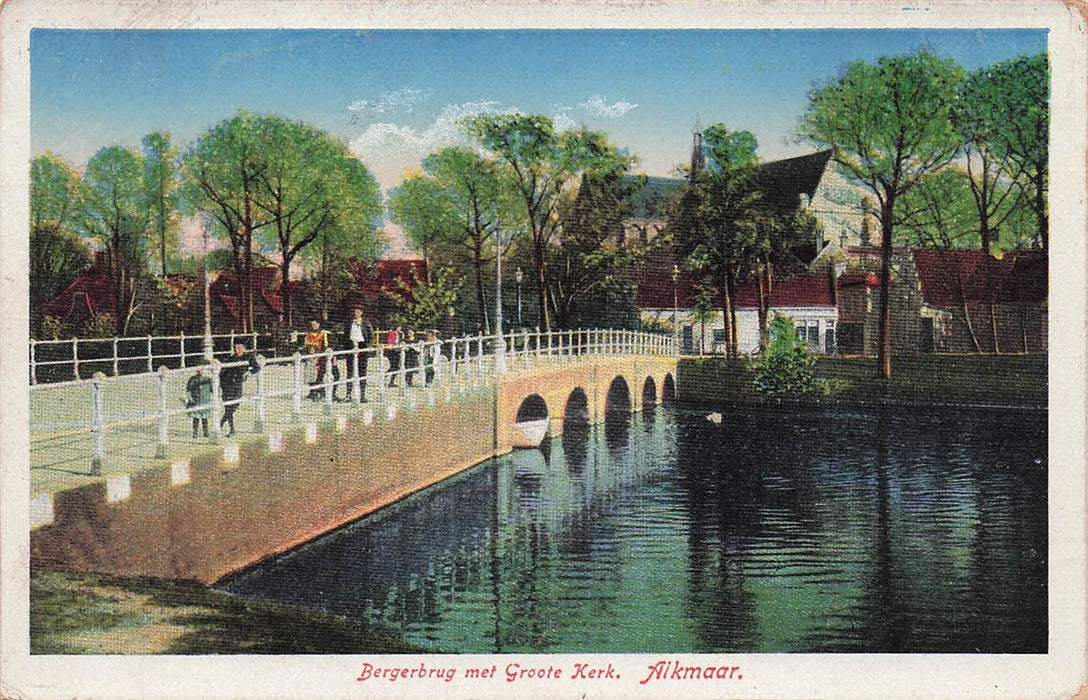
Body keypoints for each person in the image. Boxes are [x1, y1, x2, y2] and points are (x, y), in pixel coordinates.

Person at [218, 341, 259, 437]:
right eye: (235, 348)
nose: (237, 350)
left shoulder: (248, 357)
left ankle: (220, 424)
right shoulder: (230, 358)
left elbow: (257, 367)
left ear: (244, 348)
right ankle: (232, 430)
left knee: (234, 406)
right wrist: (219, 385)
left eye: (239, 348)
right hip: (227, 385)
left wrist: (248, 373)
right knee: (229, 408)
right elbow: (223, 372)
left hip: (237, 385)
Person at [303, 319, 339, 400]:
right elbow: (305, 346)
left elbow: (330, 345)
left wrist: (333, 356)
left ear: (319, 324)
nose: (313, 326)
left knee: (335, 374)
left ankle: (332, 393)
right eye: (312, 325)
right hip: (313, 358)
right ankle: (314, 392)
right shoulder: (308, 334)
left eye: (315, 324)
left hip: (324, 358)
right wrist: (309, 350)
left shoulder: (324, 333)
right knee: (313, 376)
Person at [341, 307, 372, 402]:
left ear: (362, 312)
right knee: (350, 371)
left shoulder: (366, 323)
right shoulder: (349, 322)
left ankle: (362, 395)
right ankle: (348, 394)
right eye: (355, 311)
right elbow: (345, 335)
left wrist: (368, 345)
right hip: (351, 346)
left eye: (359, 311)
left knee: (362, 372)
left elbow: (370, 335)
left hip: (362, 347)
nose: (356, 313)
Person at [185, 367, 212, 438]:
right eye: (198, 370)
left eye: (201, 370)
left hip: (204, 401)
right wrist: (190, 398)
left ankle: (206, 432)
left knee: (204, 418)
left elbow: (212, 389)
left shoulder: (207, 379)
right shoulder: (192, 379)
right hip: (196, 401)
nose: (200, 371)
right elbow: (188, 389)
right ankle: (195, 432)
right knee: (196, 418)